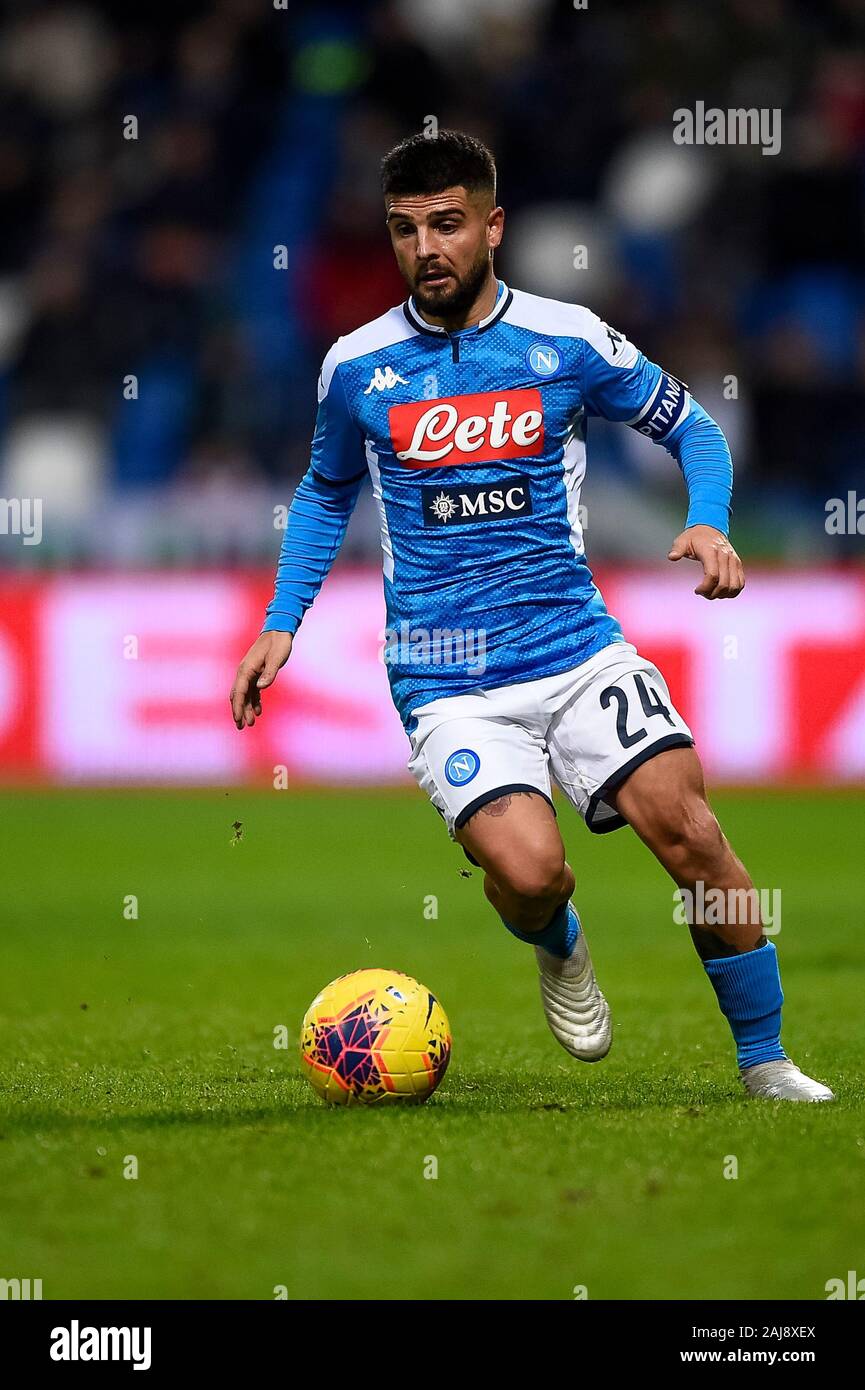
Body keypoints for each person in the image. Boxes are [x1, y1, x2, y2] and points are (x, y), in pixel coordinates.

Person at [230, 130, 832, 1102]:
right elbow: (322, 490)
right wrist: (281, 620)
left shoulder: (568, 338)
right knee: (530, 869)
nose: (427, 247)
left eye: (447, 224)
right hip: (445, 671)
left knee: (692, 835)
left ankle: (764, 1058)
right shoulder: (355, 366)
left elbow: (694, 427)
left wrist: (709, 523)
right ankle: (559, 943)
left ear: (492, 226)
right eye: (404, 229)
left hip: (576, 646)